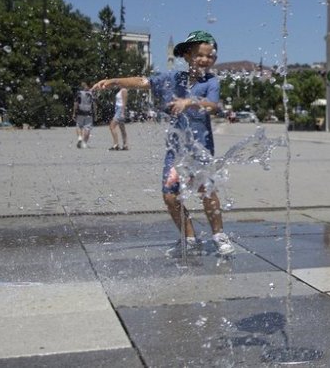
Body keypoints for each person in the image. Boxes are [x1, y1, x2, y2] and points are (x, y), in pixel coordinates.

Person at [91, 30, 234, 257]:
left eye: (210, 56)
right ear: (187, 55)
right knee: (169, 196)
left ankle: (218, 235)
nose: (205, 60)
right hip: (176, 149)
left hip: (200, 148)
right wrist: (115, 81)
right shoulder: (173, 78)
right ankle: (189, 238)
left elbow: (213, 106)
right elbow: (144, 81)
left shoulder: (211, 82)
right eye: (200, 55)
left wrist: (190, 101)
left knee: (205, 191)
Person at [73, 83, 94, 148]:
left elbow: (76, 103)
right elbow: (95, 105)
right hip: (89, 113)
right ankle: (84, 143)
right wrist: (95, 114)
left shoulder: (79, 93)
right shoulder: (92, 94)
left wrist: (74, 113)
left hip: (80, 113)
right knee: (87, 128)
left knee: (79, 126)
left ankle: (79, 137)